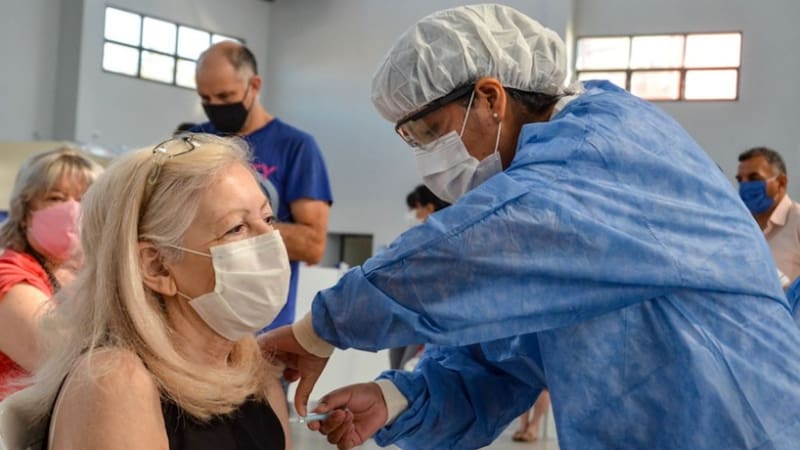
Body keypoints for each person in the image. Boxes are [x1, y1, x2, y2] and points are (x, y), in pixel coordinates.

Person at [259, 4, 800, 450]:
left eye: (432, 131)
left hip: (749, 428)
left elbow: (467, 253)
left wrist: (319, 328)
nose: (429, 158)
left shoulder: (603, 150)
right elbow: (502, 360)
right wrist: (396, 399)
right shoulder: (548, 222)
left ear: (491, 98)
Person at [2, 135, 291, 449]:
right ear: (157, 267)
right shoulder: (115, 383)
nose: (270, 239)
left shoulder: (253, 373)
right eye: (236, 228)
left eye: (268, 218)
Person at [193, 41, 333, 334]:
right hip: (196, 327)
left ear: (254, 86)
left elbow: (312, 244)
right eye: (206, 98)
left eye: (225, 96)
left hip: (263, 334)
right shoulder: (194, 142)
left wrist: (229, 229)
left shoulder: (296, 147)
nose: (215, 107)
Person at [0, 147, 102, 399]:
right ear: (24, 212)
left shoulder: (87, 271)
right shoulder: (9, 276)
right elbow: (62, 363)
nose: (72, 210)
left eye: (84, 199)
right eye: (55, 198)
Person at [390, 185, 450, 371]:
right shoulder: (416, 237)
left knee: (408, 367)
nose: (412, 214)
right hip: (406, 311)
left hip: (427, 314)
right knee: (396, 365)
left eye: (415, 208)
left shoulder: (446, 236)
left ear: (429, 208)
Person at [737, 147, 800, 285]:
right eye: (740, 180)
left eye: (754, 178)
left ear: (781, 182)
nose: (744, 186)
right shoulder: (739, 227)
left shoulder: (797, 221)